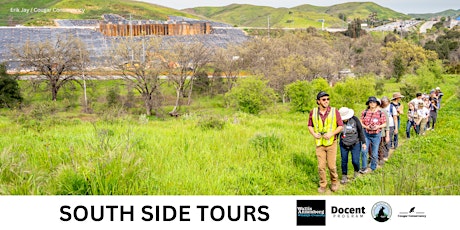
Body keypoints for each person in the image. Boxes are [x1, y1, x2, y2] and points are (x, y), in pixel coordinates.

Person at [308, 91, 344, 193]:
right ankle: (323, 184)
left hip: (331, 143)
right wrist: (314, 134)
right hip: (319, 144)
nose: (326, 101)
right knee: (321, 166)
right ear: (318, 101)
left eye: (328, 99)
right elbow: (309, 125)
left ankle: (334, 182)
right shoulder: (313, 112)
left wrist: (331, 134)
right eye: (324, 99)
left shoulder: (334, 111)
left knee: (332, 166)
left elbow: (340, 126)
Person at [338, 107, 366, 184]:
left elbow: (360, 131)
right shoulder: (338, 121)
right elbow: (336, 132)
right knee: (344, 161)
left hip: (355, 143)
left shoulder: (355, 120)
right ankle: (344, 176)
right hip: (343, 143)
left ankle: (356, 172)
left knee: (355, 160)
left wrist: (363, 142)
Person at [360, 96, 387, 173]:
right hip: (366, 134)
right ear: (368, 103)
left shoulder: (380, 113)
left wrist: (378, 126)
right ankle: (364, 167)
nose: (372, 104)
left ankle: (373, 168)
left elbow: (384, 123)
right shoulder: (364, 112)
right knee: (364, 151)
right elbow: (361, 122)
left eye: (374, 102)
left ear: (376, 104)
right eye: (370, 102)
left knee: (374, 153)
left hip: (376, 134)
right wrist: (366, 126)